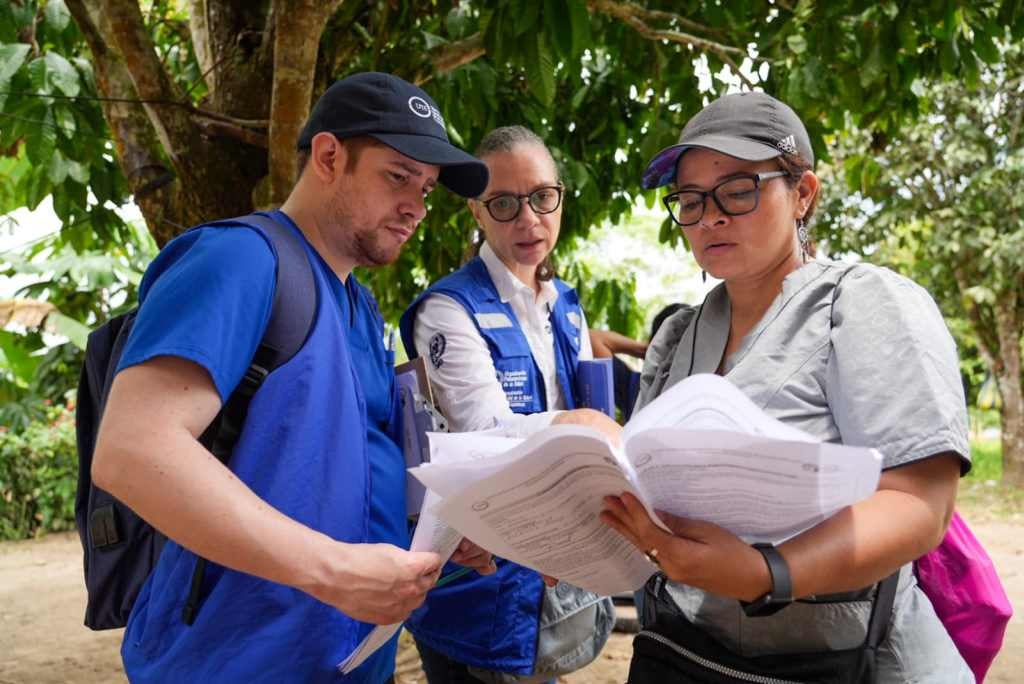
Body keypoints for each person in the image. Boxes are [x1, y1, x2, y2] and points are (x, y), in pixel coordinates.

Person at [91, 72, 496, 683]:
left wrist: (441, 534)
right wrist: (334, 571)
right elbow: (132, 449)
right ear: (330, 156)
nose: (415, 205)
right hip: (238, 662)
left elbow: (344, 469)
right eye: (397, 176)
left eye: (428, 188)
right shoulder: (240, 258)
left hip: (349, 660)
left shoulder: (360, 307)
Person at [599, 91, 973, 682]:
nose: (711, 217)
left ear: (803, 193)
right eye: (690, 200)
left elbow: (920, 503)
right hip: (694, 655)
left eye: (739, 190)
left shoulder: (863, 304)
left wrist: (762, 572)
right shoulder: (677, 337)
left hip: (842, 662)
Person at [399, 125, 617, 683]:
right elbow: (485, 431)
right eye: (504, 203)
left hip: (553, 574)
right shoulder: (447, 310)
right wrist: (579, 424)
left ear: (561, 196)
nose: (529, 219)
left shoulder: (564, 304)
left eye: (543, 197)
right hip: (478, 585)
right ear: (477, 211)